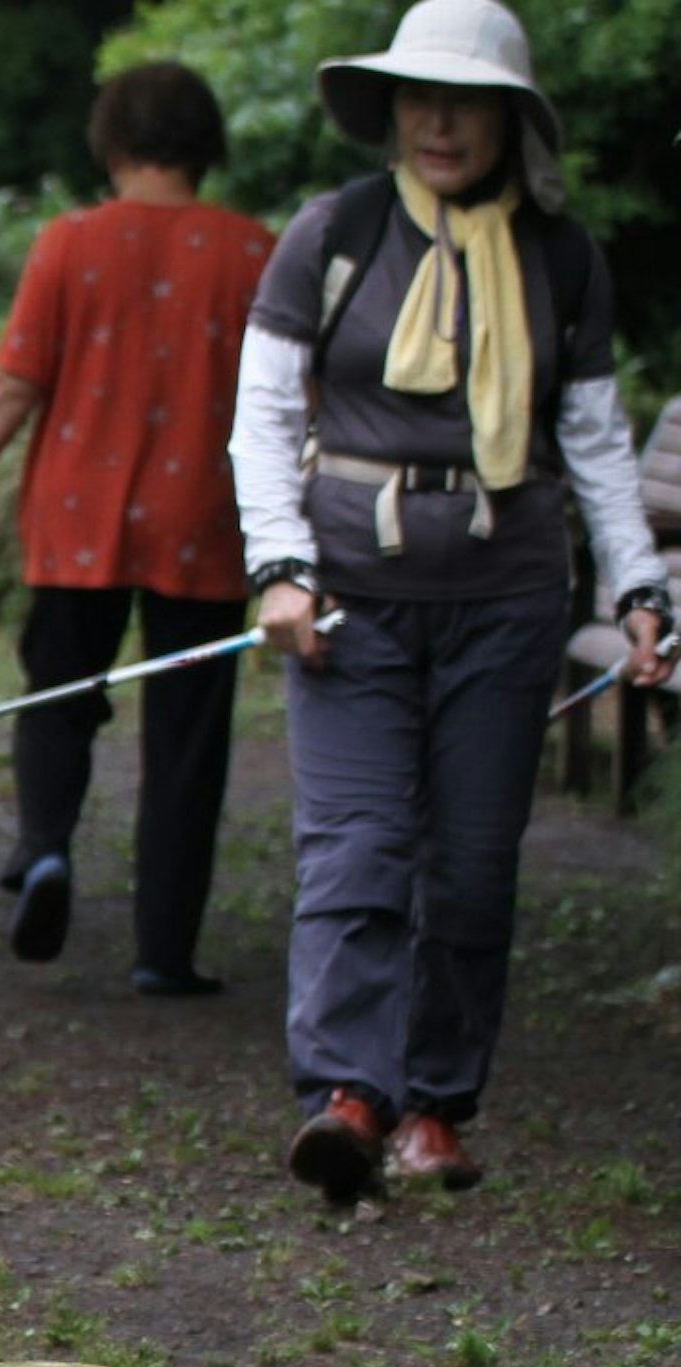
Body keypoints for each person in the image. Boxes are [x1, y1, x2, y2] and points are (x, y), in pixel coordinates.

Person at [228, 0, 668, 1202]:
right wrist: (279, 566)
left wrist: (639, 585)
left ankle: (436, 1105)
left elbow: (596, 446)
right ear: (389, 110)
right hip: (350, 598)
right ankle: (349, 1097)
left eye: (464, 102)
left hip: (507, 596)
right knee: (358, 853)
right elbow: (263, 418)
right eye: (419, 98)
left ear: (508, 121)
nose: (438, 121)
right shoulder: (333, 234)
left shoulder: (564, 259)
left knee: (472, 866)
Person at [0, 65, 277, 990]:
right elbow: (293, 404)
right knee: (189, 737)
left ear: (110, 141)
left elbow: (16, 382)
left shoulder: (70, 243)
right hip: (205, 518)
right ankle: (164, 951)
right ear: (206, 144)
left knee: (57, 697)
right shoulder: (256, 254)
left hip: (79, 512)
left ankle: (44, 847)